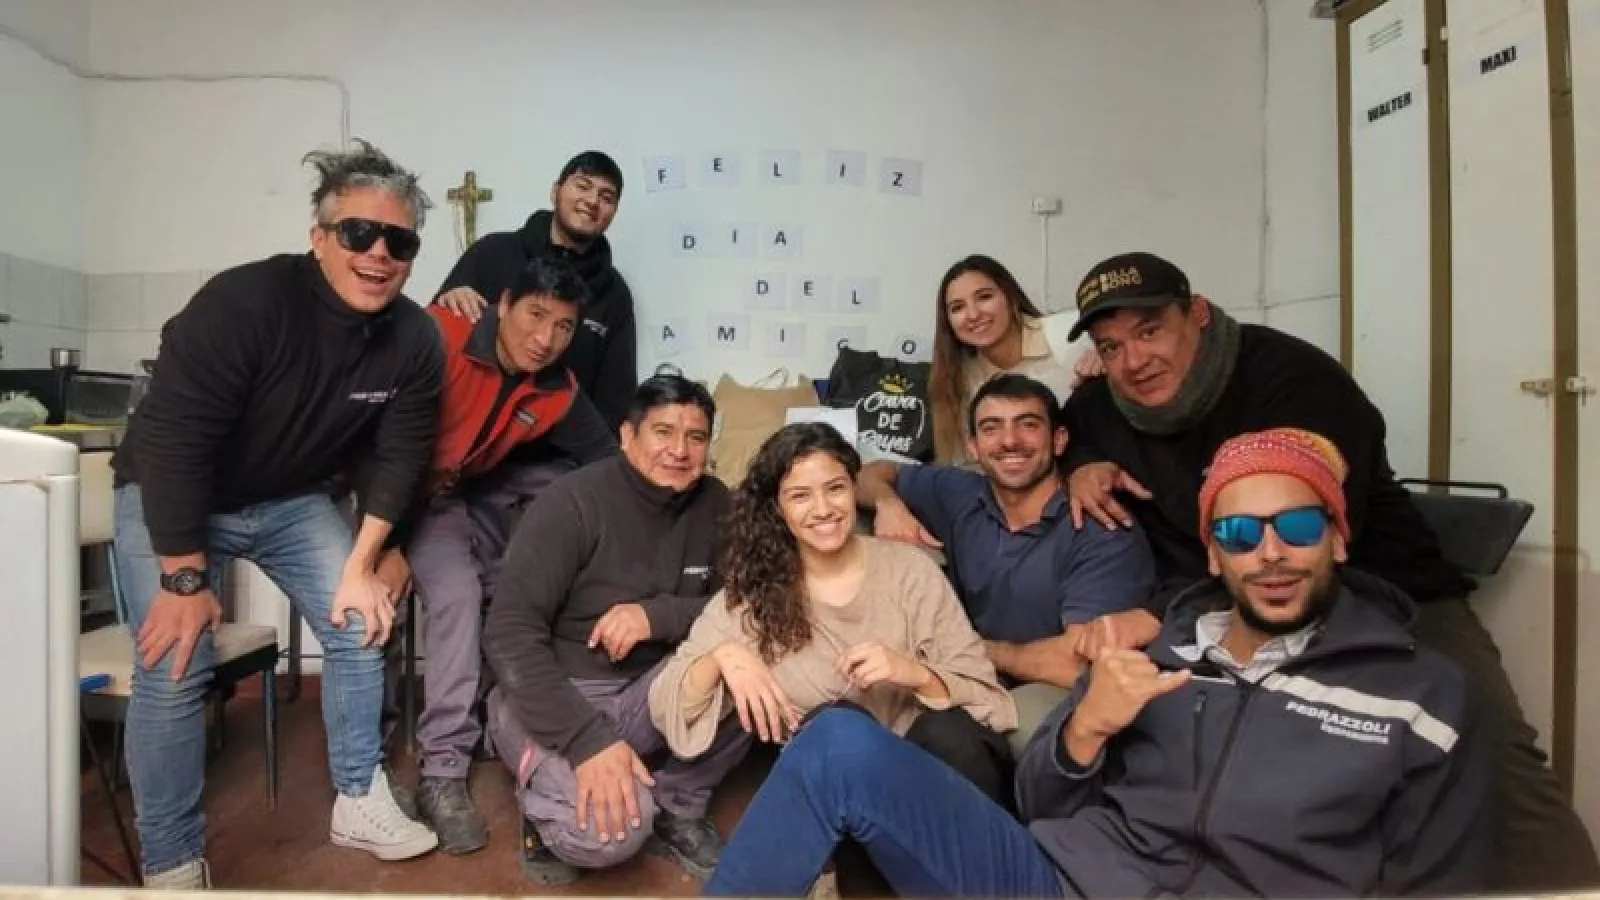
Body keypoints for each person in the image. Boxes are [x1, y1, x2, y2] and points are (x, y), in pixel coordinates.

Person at [704, 428, 1492, 899]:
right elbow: (1039, 804)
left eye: (1298, 526)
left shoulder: (1421, 698)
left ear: (1339, 539)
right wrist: (1082, 730)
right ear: (1213, 554)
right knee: (836, 740)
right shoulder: (1163, 651)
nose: (1271, 553)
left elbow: (1441, 883)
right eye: (1240, 534)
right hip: (1056, 881)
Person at [1059, 251, 1599, 891]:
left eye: (1150, 332)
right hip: (1232, 610)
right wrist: (1082, 463)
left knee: (1495, 760)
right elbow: (1066, 429)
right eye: (1111, 347)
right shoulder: (1104, 404)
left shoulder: (1294, 379)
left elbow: (1287, 547)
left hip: (1394, 596)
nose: (1134, 361)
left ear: (1197, 314)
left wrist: (1156, 613)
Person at [109, 139, 442, 888]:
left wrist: (364, 566)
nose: (379, 253)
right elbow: (175, 443)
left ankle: (358, 798)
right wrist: (185, 581)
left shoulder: (415, 338)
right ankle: (171, 860)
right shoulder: (244, 303)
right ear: (319, 237)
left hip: (290, 498)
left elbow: (400, 458)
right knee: (175, 658)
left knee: (360, 620)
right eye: (359, 232)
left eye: (399, 242)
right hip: (176, 495)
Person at [649, 423, 1017, 807]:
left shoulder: (911, 571)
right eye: (800, 496)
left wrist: (914, 673)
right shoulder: (754, 595)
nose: (823, 509)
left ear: (854, 488)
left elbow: (989, 700)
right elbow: (666, 705)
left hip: (937, 780)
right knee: (834, 723)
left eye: (835, 488)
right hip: (843, 796)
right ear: (777, 508)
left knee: (950, 733)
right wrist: (722, 657)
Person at [480, 374, 744, 886]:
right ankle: (545, 798)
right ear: (627, 435)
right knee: (614, 834)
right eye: (663, 432)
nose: (679, 450)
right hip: (557, 696)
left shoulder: (717, 504)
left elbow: (746, 605)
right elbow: (508, 632)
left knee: (756, 656)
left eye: (695, 437)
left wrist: (657, 615)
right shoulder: (570, 502)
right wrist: (587, 741)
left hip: (651, 692)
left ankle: (678, 803)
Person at [397, 256, 618, 854]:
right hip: (384, 498)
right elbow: (378, 439)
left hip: (447, 497)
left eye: (564, 326)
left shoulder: (556, 390)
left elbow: (606, 463)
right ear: (503, 304)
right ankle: (441, 771)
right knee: (455, 595)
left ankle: (485, 730)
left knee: (504, 585)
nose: (546, 339)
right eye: (535, 315)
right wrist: (386, 544)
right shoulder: (439, 333)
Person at [857, 373, 1155, 754]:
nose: (1009, 440)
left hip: (1052, 689)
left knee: (999, 727)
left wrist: (973, 650)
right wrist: (888, 503)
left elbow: (1078, 665)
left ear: (1059, 440)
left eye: (1027, 425)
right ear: (974, 446)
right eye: (991, 428)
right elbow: (870, 473)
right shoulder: (961, 492)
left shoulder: (1101, 528)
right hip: (967, 672)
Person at [434, 150, 635, 429]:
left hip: (562, 447)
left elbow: (615, 399)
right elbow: (433, 346)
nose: (592, 201)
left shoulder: (614, 293)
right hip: (470, 432)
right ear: (555, 191)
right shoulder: (491, 253)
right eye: (583, 186)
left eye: (606, 197)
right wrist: (449, 301)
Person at [928, 255, 1096, 465]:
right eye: (957, 307)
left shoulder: (1071, 334)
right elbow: (967, 466)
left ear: (1010, 296)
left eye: (984, 297)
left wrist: (1107, 356)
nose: (973, 314)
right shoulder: (958, 381)